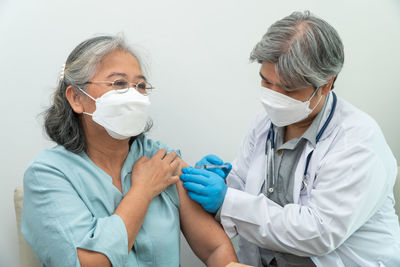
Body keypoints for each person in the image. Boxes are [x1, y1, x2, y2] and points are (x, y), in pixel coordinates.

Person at [180, 11, 400, 267]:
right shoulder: (264, 125)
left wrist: (226, 200)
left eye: (288, 89)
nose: (273, 96)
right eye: (266, 81)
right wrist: (223, 182)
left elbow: (317, 233)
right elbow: (244, 190)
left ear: (326, 85)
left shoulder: (358, 141)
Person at [22, 35, 238, 267]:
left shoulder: (161, 159)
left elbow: (215, 248)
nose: (134, 95)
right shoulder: (47, 175)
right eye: (119, 84)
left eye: (141, 86)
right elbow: (91, 263)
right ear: (76, 98)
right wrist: (143, 191)